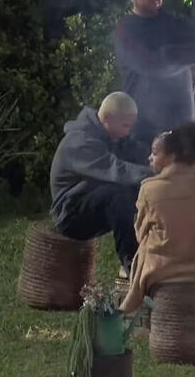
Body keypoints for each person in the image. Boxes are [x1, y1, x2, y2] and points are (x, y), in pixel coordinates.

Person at [120, 122, 195, 313]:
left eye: (155, 152)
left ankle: (131, 302)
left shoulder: (149, 188)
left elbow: (140, 233)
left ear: (172, 155)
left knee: (147, 242)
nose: (150, 157)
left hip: (159, 271)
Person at [49, 92, 152, 274]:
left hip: (91, 200)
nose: (128, 131)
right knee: (119, 195)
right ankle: (132, 265)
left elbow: (136, 152)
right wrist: (155, 174)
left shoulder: (111, 135)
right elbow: (117, 169)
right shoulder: (80, 142)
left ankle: (158, 254)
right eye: (125, 126)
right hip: (70, 216)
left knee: (150, 191)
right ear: (108, 118)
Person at [113, 0, 195, 145]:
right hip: (144, 132)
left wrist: (169, 55)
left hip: (183, 127)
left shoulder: (174, 22)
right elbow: (153, 66)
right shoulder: (126, 30)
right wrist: (181, 54)